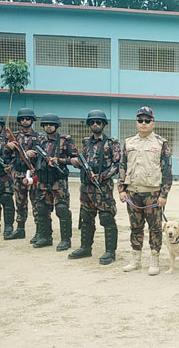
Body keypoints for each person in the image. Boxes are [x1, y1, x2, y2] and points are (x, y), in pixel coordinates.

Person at [119, 106, 173, 275]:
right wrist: (121, 189)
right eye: (140, 120)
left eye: (147, 120)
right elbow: (122, 166)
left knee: (155, 228)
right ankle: (136, 259)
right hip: (133, 192)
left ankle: (154, 259)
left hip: (153, 194)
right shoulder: (129, 143)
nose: (143, 123)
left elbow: (167, 171)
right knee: (135, 227)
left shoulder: (161, 143)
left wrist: (164, 194)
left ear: (153, 123)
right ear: (136, 122)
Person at [69, 110, 121, 265]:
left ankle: (110, 252)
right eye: (92, 122)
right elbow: (83, 160)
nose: (95, 125)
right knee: (86, 218)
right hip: (86, 187)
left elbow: (118, 165)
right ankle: (85, 247)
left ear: (103, 124)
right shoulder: (86, 142)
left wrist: (103, 175)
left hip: (102, 187)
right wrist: (77, 163)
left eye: (98, 122)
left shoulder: (111, 143)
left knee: (106, 217)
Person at [31, 113, 77, 251]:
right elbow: (37, 161)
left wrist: (60, 161)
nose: (48, 126)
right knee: (41, 209)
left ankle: (65, 240)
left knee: (62, 209)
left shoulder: (65, 141)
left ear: (56, 126)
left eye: (51, 124)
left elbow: (76, 160)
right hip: (43, 181)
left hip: (58, 181)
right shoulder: (40, 142)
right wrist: (31, 155)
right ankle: (45, 237)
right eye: (45, 124)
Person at [5, 108, 44, 241]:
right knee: (20, 202)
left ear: (32, 120)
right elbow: (6, 155)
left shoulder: (39, 137)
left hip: (32, 174)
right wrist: (8, 147)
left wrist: (34, 153)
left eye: (27, 118)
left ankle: (39, 231)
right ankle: (20, 229)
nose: (25, 121)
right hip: (18, 173)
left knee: (36, 202)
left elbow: (44, 154)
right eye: (22, 119)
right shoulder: (14, 136)